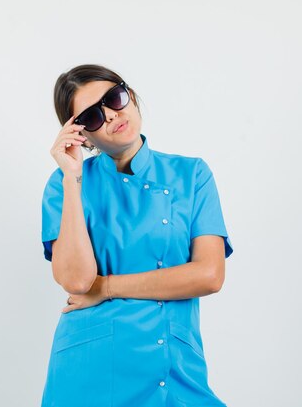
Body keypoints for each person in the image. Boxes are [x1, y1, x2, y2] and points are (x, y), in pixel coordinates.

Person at [40, 64, 234, 407]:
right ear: (81, 134)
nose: (112, 115)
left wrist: (108, 287)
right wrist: (71, 176)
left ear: (130, 95)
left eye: (115, 97)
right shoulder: (65, 185)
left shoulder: (192, 175)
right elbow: (76, 279)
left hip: (173, 364)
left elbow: (209, 275)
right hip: (91, 369)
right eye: (93, 116)